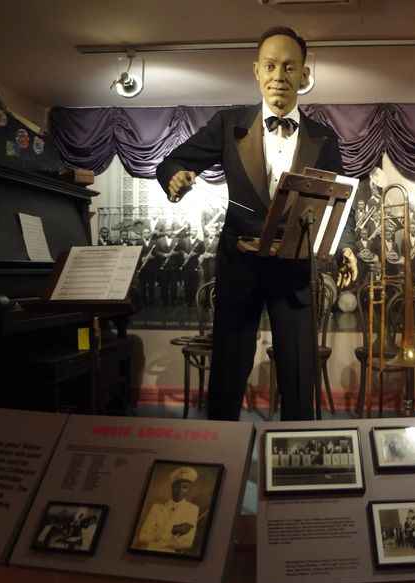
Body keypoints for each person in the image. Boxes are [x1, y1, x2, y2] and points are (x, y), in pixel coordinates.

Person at [156, 26, 357, 421]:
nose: (278, 75)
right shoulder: (228, 125)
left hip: (295, 270)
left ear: (304, 74)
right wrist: (175, 177)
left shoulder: (324, 138)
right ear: (256, 71)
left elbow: (339, 201)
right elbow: (172, 162)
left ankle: (298, 465)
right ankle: (220, 459)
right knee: (229, 371)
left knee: (299, 377)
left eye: (288, 66)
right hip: (239, 267)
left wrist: (346, 243)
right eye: (270, 65)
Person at [137, 466, 200, 552]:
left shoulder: (192, 509)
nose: (179, 490)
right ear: (172, 487)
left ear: (188, 490)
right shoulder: (157, 508)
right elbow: (142, 536)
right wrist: (172, 530)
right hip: (149, 551)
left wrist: (157, 536)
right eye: (176, 486)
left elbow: (187, 543)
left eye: (184, 487)